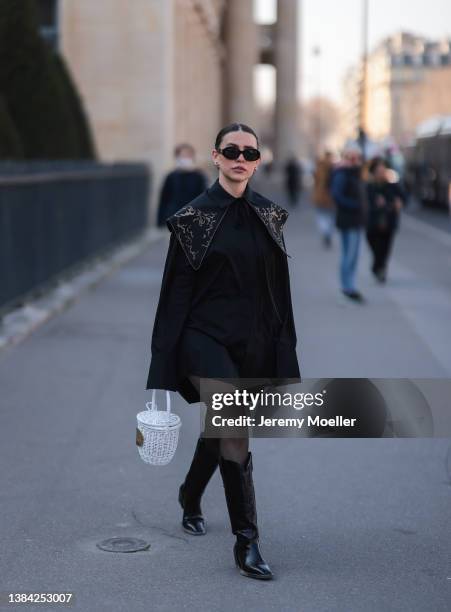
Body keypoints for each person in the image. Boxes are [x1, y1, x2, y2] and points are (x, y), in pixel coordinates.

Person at [146, 122, 301, 580]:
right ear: (215, 157)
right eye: (230, 150)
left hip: (252, 341)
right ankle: (247, 542)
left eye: (249, 153)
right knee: (231, 421)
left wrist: (284, 350)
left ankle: (190, 495)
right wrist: (162, 365)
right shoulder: (192, 219)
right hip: (202, 337)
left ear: (258, 161)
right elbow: (173, 295)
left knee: (222, 425)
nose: (240, 158)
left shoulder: (270, 216)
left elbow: (280, 295)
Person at [330, 145, 366, 303]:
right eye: (352, 158)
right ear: (346, 158)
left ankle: (350, 286)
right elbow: (337, 195)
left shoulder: (355, 173)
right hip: (348, 220)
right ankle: (347, 288)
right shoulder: (342, 173)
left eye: (358, 158)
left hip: (355, 220)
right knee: (349, 255)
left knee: (353, 256)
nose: (356, 161)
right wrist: (355, 205)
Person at [366, 157, 403, 283]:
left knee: (385, 248)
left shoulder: (392, 185)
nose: (381, 173)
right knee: (374, 246)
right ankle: (377, 265)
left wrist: (394, 203)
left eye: (383, 170)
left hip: (389, 221)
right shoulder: (369, 186)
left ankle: (381, 269)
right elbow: (365, 203)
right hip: (372, 222)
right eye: (378, 170)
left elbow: (403, 198)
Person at [156, 143, 207, 227]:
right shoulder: (171, 176)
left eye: (188, 155)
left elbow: (204, 198)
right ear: (177, 157)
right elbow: (164, 199)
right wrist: (160, 221)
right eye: (182, 155)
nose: (185, 158)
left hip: (193, 217)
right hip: (174, 217)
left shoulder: (199, 176)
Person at [312, 151, 335, 248]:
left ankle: (326, 232)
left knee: (322, 216)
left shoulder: (319, 168)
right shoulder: (332, 169)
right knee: (329, 217)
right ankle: (327, 233)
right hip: (329, 197)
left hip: (320, 196)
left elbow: (316, 182)